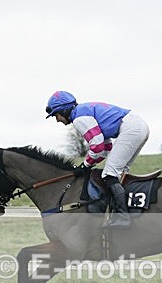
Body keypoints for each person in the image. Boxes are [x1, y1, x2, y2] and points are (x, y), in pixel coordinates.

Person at [45, 90, 149, 228]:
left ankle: (123, 218)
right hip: (137, 126)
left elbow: (97, 147)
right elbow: (106, 148)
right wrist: (88, 164)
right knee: (119, 173)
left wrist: (85, 165)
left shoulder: (79, 118)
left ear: (64, 110)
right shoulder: (84, 112)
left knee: (109, 174)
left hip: (131, 129)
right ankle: (124, 212)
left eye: (56, 115)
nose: (57, 120)